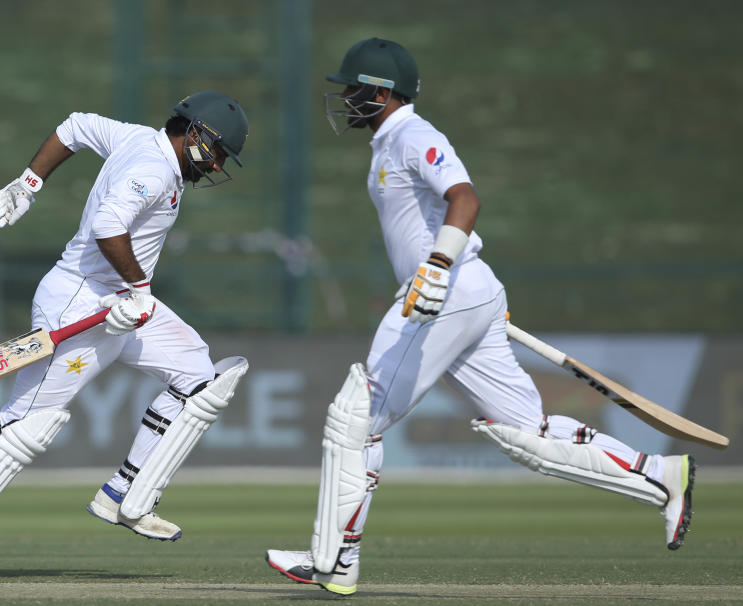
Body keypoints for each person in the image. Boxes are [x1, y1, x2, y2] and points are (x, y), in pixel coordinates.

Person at [265, 38, 695, 596]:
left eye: (353, 89)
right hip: (464, 291)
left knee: (356, 417)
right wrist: (469, 291)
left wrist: (441, 269)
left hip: (441, 290)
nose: (345, 98)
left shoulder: (414, 135)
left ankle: (334, 560)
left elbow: (464, 198)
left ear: (381, 93)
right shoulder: (386, 143)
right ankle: (661, 477)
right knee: (530, 436)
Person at [0, 91, 251, 582]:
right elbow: (108, 225)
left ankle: (127, 493)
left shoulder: (135, 139)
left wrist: (30, 181)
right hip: (82, 301)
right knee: (30, 422)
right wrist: (141, 289)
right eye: (215, 153)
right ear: (195, 133)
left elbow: (76, 125)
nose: (214, 166)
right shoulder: (150, 166)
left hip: (123, 303)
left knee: (198, 374)